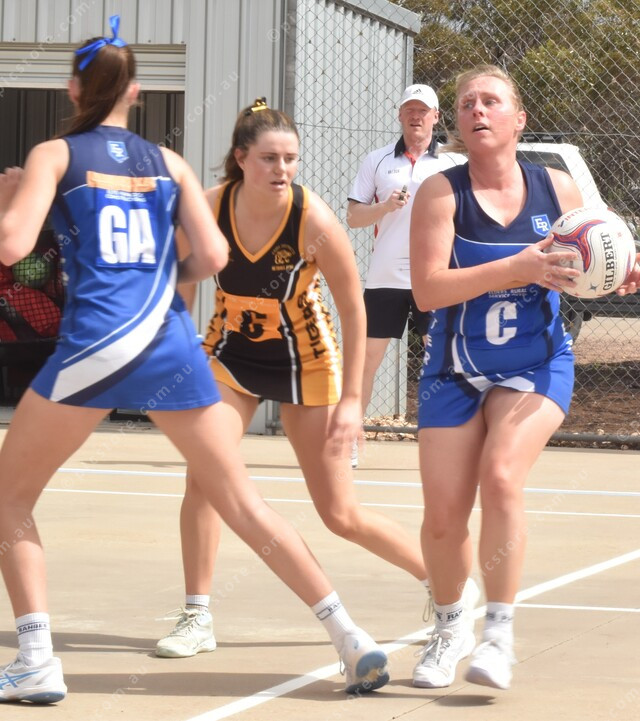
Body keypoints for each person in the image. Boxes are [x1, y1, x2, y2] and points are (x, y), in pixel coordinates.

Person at [0, 19, 390, 703]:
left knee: (9, 499)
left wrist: (11, 199)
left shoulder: (54, 155)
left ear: (73, 90)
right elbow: (211, 256)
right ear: (136, 93)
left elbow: (12, 246)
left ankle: (35, 657)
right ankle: (349, 637)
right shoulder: (169, 164)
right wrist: (152, 277)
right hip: (169, 344)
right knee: (242, 501)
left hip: (97, 344)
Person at [155, 98, 479, 660]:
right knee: (203, 478)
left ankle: (445, 583)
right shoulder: (210, 208)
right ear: (241, 159)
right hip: (230, 353)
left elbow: (353, 308)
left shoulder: (313, 219)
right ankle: (196, 615)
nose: (281, 169)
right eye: (269, 158)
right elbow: (182, 293)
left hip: (303, 360)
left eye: (290, 158)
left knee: (339, 514)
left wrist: (353, 400)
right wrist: (175, 361)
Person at [408, 64, 588, 691]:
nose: (477, 110)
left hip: (536, 362)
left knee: (502, 475)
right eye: (466, 103)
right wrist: (518, 267)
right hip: (455, 368)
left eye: (490, 101)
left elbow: (592, 260)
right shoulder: (440, 192)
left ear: (519, 119)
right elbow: (428, 290)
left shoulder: (557, 189)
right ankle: (450, 625)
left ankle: (499, 635)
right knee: (442, 518)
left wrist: (618, 273)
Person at [346, 84, 460, 468]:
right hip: (385, 279)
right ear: (400, 115)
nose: (416, 116)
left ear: (435, 117)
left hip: (435, 278)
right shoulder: (377, 160)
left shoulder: (452, 163)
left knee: (440, 359)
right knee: (365, 361)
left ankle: (444, 445)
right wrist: (384, 207)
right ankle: (351, 443)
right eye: (409, 109)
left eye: (423, 110)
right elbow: (353, 217)